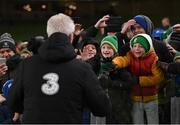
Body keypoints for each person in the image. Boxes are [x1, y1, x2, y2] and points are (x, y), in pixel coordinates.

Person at [7, 13, 111, 124]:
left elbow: (13, 103)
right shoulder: (82, 68)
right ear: (71, 37)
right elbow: (102, 107)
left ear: (49, 34)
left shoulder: (27, 65)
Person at [112, 34, 164, 124]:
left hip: (151, 98)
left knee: (153, 122)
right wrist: (114, 63)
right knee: (137, 122)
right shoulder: (130, 56)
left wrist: (139, 80)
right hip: (135, 98)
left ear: (147, 48)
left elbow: (158, 77)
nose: (136, 49)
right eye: (134, 46)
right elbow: (122, 60)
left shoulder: (153, 59)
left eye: (140, 46)